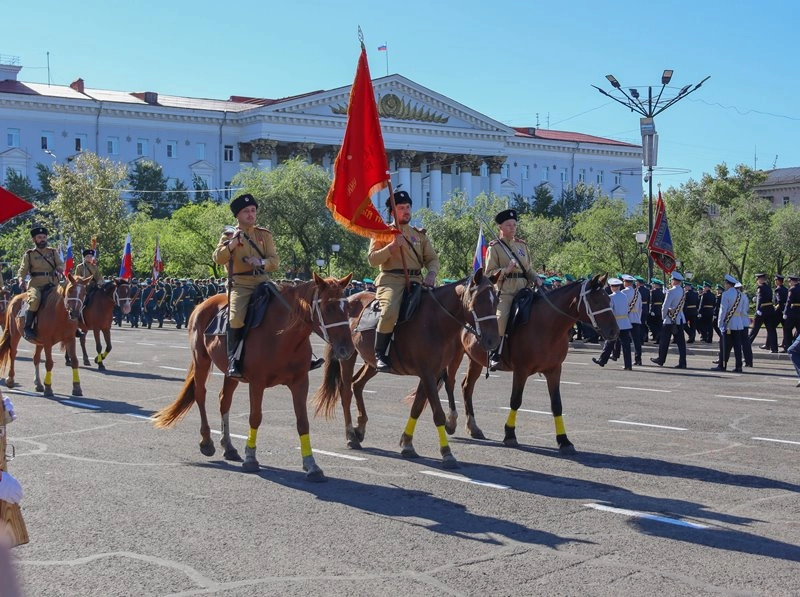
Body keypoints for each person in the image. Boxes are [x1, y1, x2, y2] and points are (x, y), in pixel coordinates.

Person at [367, 190, 439, 372]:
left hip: (418, 279)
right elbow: (373, 259)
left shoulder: (419, 235)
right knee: (390, 311)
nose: (406, 211)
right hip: (392, 279)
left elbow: (432, 259)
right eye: (401, 208)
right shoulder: (382, 233)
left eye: (408, 207)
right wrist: (391, 247)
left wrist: (431, 274)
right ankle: (380, 353)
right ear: (393, 212)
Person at [213, 193, 279, 378]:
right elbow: (218, 258)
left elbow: (275, 261)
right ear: (237, 216)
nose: (251, 214)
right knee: (236, 319)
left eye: (253, 211)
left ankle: (300, 355)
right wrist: (232, 244)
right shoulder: (228, 235)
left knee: (288, 306)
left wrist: (261, 262)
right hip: (240, 284)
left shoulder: (264, 235)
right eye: (246, 211)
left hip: (262, 281)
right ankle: (233, 360)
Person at [484, 208, 539, 370]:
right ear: (500, 227)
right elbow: (488, 274)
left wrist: (536, 278)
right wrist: (505, 270)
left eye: (514, 225)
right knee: (501, 318)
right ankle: (495, 353)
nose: (513, 228)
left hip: (524, 289)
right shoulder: (494, 248)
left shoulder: (522, 246)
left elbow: (528, 269)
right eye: (509, 225)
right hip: (506, 291)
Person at [17, 224, 64, 341]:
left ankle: (72, 326)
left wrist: (60, 268)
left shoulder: (53, 252)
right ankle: (28, 328)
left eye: (44, 237)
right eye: (39, 237)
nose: (42, 239)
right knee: (34, 300)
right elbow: (23, 269)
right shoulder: (29, 254)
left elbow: (60, 264)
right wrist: (21, 279)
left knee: (65, 299)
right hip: (35, 285)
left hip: (52, 284)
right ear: (34, 239)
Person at [592, 278, 632, 370]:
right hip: (625, 323)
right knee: (626, 346)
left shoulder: (611, 297)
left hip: (616, 322)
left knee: (609, 342)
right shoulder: (624, 296)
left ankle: (602, 360)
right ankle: (628, 365)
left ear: (612, 287)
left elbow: (610, 312)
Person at [650, 271, 687, 369]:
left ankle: (661, 359)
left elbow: (665, 306)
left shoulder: (671, 291)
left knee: (664, 341)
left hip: (670, 320)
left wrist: (663, 317)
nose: (670, 281)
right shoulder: (683, 291)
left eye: (671, 280)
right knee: (681, 343)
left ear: (674, 281)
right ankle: (683, 362)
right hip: (679, 318)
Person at [713, 274, 744, 372]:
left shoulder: (726, 294)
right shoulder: (739, 295)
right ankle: (738, 366)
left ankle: (722, 365)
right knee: (737, 347)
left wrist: (720, 323)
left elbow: (723, 311)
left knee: (725, 346)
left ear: (727, 284)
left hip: (728, 323)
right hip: (738, 323)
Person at [749, 273, 777, 352]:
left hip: (762, 311)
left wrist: (757, 310)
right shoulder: (768, 287)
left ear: (760, 280)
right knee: (771, 330)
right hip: (770, 310)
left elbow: (759, 300)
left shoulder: (760, 288)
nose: (757, 281)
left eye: (757, 279)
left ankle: (746, 344)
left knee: (754, 330)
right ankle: (774, 348)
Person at [620, 274, 642, 365]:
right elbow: (640, 307)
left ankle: (616, 354)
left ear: (626, 282)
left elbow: (621, 306)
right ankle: (638, 359)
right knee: (637, 341)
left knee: (623, 339)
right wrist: (638, 317)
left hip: (626, 318)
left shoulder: (623, 292)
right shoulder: (637, 293)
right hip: (636, 318)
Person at [782, 274, 800, 351]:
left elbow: (789, 302)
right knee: (799, 330)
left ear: (792, 281)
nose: (789, 283)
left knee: (787, 329)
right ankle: (797, 346)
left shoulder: (792, 289)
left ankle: (788, 346)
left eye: (789, 281)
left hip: (792, 312)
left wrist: (785, 313)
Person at [648, 278, 665, 343]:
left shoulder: (653, 292)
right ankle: (659, 338)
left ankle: (657, 336)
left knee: (652, 324)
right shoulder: (662, 292)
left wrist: (651, 310)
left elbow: (652, 301)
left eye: (653, 284)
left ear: (656, 285)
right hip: (660, 309)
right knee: (659, 325)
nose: (652, 285)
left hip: (655, 309)